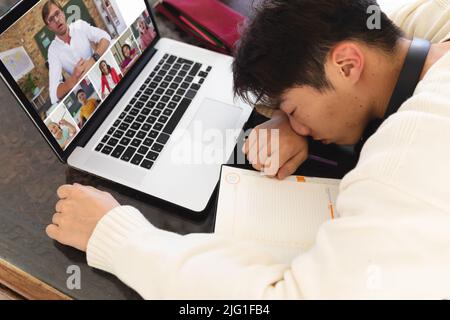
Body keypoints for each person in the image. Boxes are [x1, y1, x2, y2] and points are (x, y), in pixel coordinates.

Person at [46, 0, 450, 299]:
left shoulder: (404, 166)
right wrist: (297, 119)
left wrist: (118, 238)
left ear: (347, 65)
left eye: (293, 108)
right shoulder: (421, 27)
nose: (295, 122)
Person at [43, 0, 111, 104]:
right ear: (49, 27)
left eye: (57, 13)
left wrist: (93, 60)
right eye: (51, 19)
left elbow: (105, 37)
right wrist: (74, 78)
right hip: (87, 90)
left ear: (63, 13)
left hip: (101, 71)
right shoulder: (53, 51)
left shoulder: (79, 26)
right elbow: (53, 94)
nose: (56, 19)